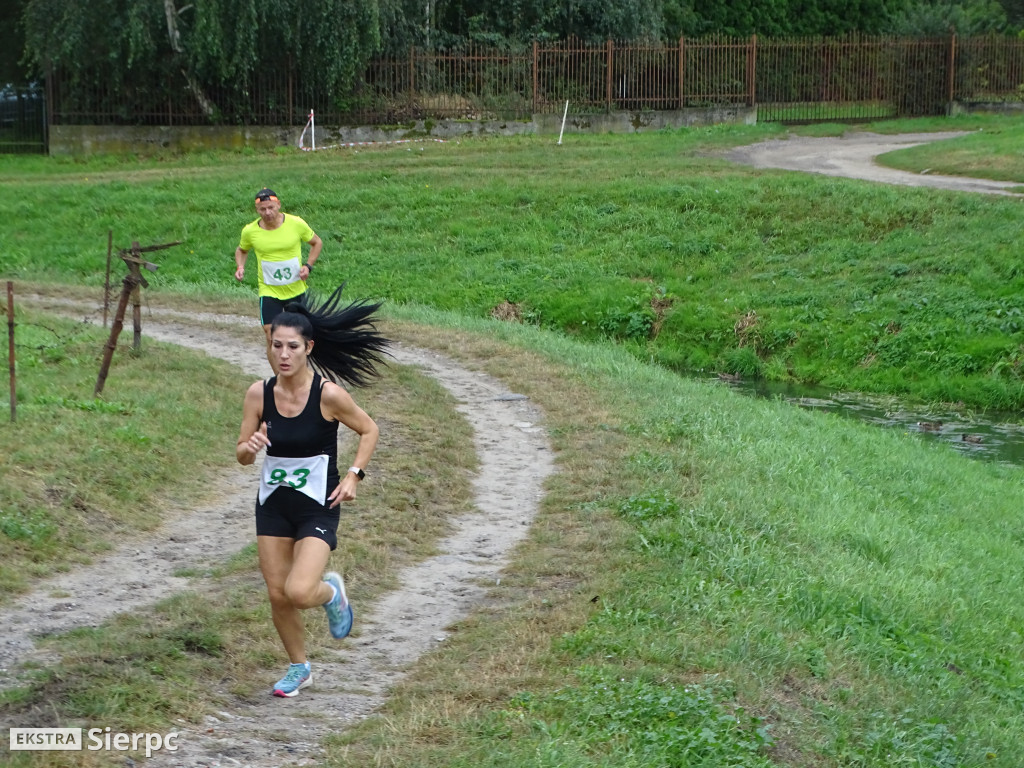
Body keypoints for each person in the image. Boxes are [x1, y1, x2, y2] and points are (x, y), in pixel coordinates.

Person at [235, 285, 390, 698]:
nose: (282, 355)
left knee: (300, 591)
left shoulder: (328, 395)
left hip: (317, 507)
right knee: (276, 593)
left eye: (292, 347)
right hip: (273, 505)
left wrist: (354, 475)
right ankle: (299, 667)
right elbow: (241, 454)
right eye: (276, 346)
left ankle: (331, 593)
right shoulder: (258, 393)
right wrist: (248, 449)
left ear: (308, 348)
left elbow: (369, 428)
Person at [234, 188, 324, 344]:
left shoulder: (296, 223)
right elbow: (242, 250)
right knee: (270, 332)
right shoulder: (250, 231)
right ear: (257, 210)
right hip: (269, 289)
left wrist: (308, 266)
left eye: (271, 208)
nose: (267, 212)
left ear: (278, 205)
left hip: (295, 288)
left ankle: (299, 366)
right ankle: (277, 369)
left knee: (300, 333)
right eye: (263, 209)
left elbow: (317, 242)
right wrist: (240, 267)